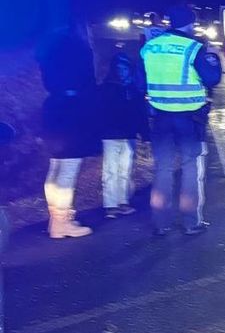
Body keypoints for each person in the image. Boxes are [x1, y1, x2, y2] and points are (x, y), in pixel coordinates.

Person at [140, 4, 221, 236]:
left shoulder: (150, 47)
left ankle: (160, 223)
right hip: (189, 118)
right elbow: (212, 79)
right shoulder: (194, 48)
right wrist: (213, 58)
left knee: (162, 168)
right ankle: (191, 221)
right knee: (190, 169)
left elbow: (138, 83)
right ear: (190, 23)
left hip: (160, 116)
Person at [37, 24, 100, 239]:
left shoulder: (49, 47)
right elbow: (89, 79)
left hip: (53, 107)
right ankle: (61, 224)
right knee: (68, 168)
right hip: (73, 110)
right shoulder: (79, 49)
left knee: (56, 166)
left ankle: (56, 220)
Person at [98, 52, 148, 218]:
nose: (121, 72)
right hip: (111, 135)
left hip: (129, 135)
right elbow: (100, 113)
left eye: (124, 68)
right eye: (119, 68)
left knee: (125, 170)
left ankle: (123, 201)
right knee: (110, 170)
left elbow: (141, 113)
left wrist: (145, 134)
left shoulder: (133, 90)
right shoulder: (107, 89)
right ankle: (110, 205)